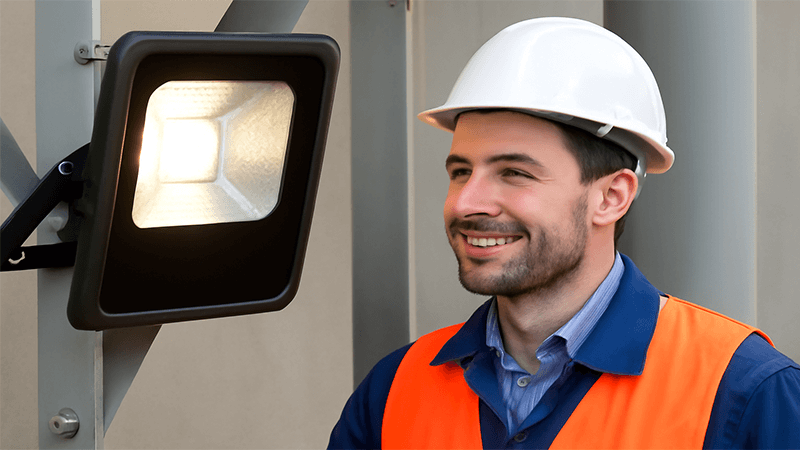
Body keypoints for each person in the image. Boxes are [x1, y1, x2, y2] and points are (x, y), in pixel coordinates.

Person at [328, 17, 800, 449]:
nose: (467, 203)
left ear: (611, 197)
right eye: (460, 171)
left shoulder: (745, 391)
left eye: (514, 172)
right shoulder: (393, 391)